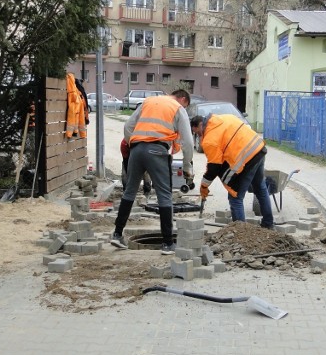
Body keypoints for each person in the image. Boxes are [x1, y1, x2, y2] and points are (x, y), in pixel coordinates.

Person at [111, 89, 194, 255]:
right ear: (183, 99)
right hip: (157, 150)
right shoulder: (178, 108)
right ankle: (168, 244)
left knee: (130, 192)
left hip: (136, 149)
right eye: (186, 104)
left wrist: (134, 146)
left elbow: (128, 127)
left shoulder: (148, 101)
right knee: (164, 195)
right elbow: (188, 142)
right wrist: (187, 166)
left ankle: (117, 234)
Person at [190, 114, 274, 229]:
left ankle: (241, 235)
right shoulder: (225, 117)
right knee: (260, 187)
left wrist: (204, 185)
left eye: (198, 133)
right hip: (258, 148)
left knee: (235, 198)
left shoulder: (209, 139)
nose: (199, 136)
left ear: (200, 125)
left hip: (247, 159)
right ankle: (268, 224)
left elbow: (214, 167)